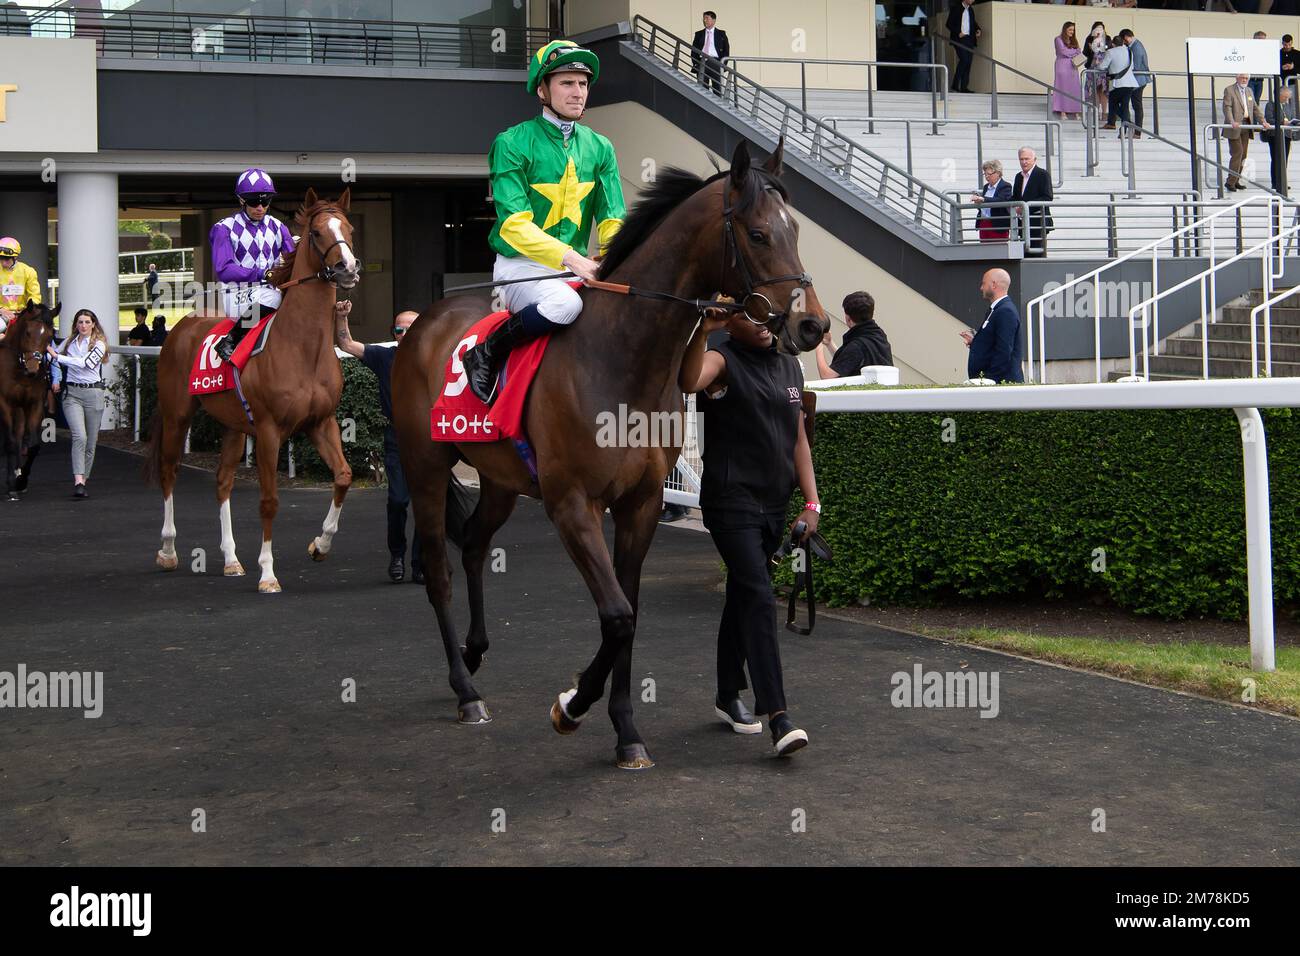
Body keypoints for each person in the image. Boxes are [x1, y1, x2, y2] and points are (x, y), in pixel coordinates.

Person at [678, 304, 819, 757]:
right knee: (757, 593)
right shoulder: (721, 358)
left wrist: (812, 502)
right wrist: (706, 328)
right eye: (752, 318)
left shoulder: (790, 366)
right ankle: (778, 715)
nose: (764, 326)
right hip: (729, 500)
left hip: (774, 504)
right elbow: (687, 380)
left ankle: (726, 693)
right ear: (732, 320)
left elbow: (799, 438)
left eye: (770, 318)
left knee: (744, 593)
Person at [461, 39, 626, 406]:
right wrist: (572, 258)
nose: (578, 92)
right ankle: (487, 351)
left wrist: (615, 257)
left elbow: (613, 215)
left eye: (583, 84)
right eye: (567, 83)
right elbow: (514, 225)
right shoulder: (512, 142)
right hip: (522, 267)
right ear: (542, 90)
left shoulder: (601, 147)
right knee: (566, 307)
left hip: (579, 268)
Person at [334, 301, 426, 583]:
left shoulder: (438, 356)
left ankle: (421, 564)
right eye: (398, 329)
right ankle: (397, 556)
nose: (403, 334)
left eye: (409, 328)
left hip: (430, 440)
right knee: (398, 500)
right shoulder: (385, 357)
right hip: (397, 438)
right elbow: (347, 344)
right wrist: (342, 317)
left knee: (427, 504)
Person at [209, 168, 295, 362]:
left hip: (270, 291)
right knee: (272, 297)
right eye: (254, 202)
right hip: (237, 295)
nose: (260, 207)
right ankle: (230, 341)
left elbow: (292, 262)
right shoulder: (224, 229)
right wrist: (263, 274)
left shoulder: (279, 227)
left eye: (265, 202)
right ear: (241, 200)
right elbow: (224, 270)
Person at [47, 308, 109, 498]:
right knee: (79, 436)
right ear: (76, 324)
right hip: (72, 393)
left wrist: (58, 357)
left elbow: (86, 363)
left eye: (87, 322)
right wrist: (53, 360)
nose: (83, 326)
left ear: (93, 324)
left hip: (93, 393)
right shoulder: (69, 342)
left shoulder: (99, 344)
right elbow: (51, 356)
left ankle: (84, 478)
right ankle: (78, 480)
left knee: (91, 442)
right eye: (80, 322)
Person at [960, 269, 1024, 383]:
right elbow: (996, 344)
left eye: (984, 283)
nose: (981, 288)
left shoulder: (1005, 311)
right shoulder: (996, 309)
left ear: (993, 285)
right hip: (997, 384)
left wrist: (988, 380)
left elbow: (1004, 351)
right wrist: (976, 343)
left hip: (1001, 385)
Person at [816, 291, 893, 379]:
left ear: (848, 319)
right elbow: (847, 362)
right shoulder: (878, 335)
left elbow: (826, 376)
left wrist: (818, 346)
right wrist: (829, 344)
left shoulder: (857, 346)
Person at [1223, 73, 1271, 191]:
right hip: (1235, 126)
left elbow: (1255, 108)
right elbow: (1227, 107)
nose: (1244, 80)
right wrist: (1232, 121)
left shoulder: (1249, 90)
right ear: (1237, 78)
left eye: (1246, 78)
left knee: (1244, 154)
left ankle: (1236, 180)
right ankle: (1230, 182)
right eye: (1242, 78)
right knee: (1237, 152)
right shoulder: (1229, 90)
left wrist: (1263, 121)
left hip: (1246, 125)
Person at [1012, 146, 1054, 257]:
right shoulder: (1018, 177)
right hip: (1022, 223)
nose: (1024, 162)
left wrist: (1025, 207)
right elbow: (1015, 197)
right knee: (1023, 255)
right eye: (1021, 159)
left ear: (1034, 159)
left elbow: (1047, 197)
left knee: (1037, 254)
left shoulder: (1042, 174)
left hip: (1038, 221)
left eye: (1027, 159)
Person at [0, 235, 42, 342]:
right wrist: (2, 310)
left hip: (22, 314)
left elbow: (35, 295)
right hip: (1, 314)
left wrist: (27, 309)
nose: (3, 262)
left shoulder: (28, 271)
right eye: (0, 258)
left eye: (7, 259)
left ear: (15, 257)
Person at [1099, 31, 1139, 133]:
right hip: (1130, 83)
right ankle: (1124, 125)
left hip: (1117, 83)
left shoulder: (1111, 52)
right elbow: (1132, 66)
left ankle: (1126, 123)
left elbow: (1102, 66)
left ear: (1113, 44)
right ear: (1122, 42)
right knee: (1125, 105)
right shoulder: (1129, 51)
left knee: (1113, 103)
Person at [1264, 86, 1300, 193]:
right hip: (1275, 135)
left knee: (1284, 159)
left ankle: (1283, 181)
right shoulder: (1270, 105)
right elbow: (1269, 119)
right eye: (1284, 97)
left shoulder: (1287, 105)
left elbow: (1291, 117)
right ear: (1279, 95)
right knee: (1276, 159)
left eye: (1287, 97)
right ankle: (1275, 182)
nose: (1286, 99)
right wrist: (1281, 122)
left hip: (1286, 135)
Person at [969, 159, 1014, 242]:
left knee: (998, 250)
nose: (986, 177)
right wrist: (978, 202)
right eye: (985, 174)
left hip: (997, 225)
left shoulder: (1006, 186)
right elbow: (986, 205)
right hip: (984, 223)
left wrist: (983, 199)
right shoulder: (986, 187)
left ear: (998, 173)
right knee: (984, 250)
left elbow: (1001, 200)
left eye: (989, 174)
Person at [691, 11, 730, 96]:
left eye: (707, 18)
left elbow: (726, 51)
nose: (704, 20)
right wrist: (696, 63)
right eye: (704, 18)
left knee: (717, 90)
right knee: (702, 90)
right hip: (702, 62)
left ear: (713, 20)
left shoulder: (721, 34)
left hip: (716, 62)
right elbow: (694, 50)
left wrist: (722, 65)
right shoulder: (698, 34)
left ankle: (718, 108)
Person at [946, 0, 980, 94]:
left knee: (968, 62)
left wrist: (978, 29)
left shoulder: (971, 10)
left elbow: (972, 22)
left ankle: (964, 87)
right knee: (964, 60)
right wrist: (958, 32)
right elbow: (948, 24)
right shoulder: (956, 8)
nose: (973, 0)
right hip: (959, 39)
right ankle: (955, 86)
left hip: (970, 39)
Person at [1052, 22, 1085, 119]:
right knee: (1062, 87)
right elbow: (1063, 51)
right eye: (1070, 29)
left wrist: (1074, 51)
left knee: (1074, 88)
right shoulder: (1058, 39)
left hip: (1073, 66)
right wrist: (1074, 51)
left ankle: (1076, 111)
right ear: (1065, 29)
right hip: (1062, 65)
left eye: (1073, 30)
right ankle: (1063, 111)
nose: (1072, 32)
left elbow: (1079, 51)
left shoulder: (1073, 40)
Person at [1121, 29, 1150, 137]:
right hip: (1137, 80)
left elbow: (1136, 66)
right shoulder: (1135, 45)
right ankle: (1136, 130)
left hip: (1138, 80)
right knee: (1135, 105)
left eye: (1124, 40)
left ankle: (1138, 132)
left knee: (1137, 106)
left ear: (1126, 37)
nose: (1124, 43)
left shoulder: (1136, 47)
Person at [1082, 22, 1109, 117]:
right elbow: (1084, 52)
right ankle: (1096, 112)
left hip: (1103, 68)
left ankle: (1105, 112)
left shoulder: (1108, 38)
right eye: (1097, 28)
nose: (1099, 30)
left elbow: (1109, 50)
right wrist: (1091, 49)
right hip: (1092, 66)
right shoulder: (1089, 39)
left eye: (1101, 28)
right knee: (1094, 90)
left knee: (1103, 90)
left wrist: (1100, 47)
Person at [1250, 33, 1268, 106]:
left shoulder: (1266, 51)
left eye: (1263, 40)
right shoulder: (1249, 49)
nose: (1261, 42)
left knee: (1256, 101)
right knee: (1250, 100)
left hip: (1260, 80)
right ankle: (1248, 117)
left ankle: (1255, 117)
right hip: (1250, 79)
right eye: (1259, 39)